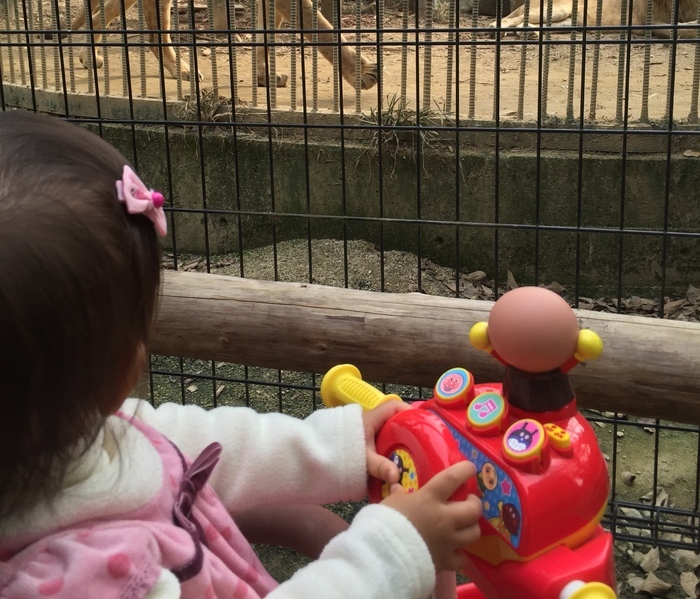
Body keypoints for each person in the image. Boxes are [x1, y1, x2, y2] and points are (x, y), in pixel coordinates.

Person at [0, 110, 483, 599]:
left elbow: (185, 438)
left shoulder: (65, 428)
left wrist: (332, 448)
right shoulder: (86, 580)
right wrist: (392, 550)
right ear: (123, 371)